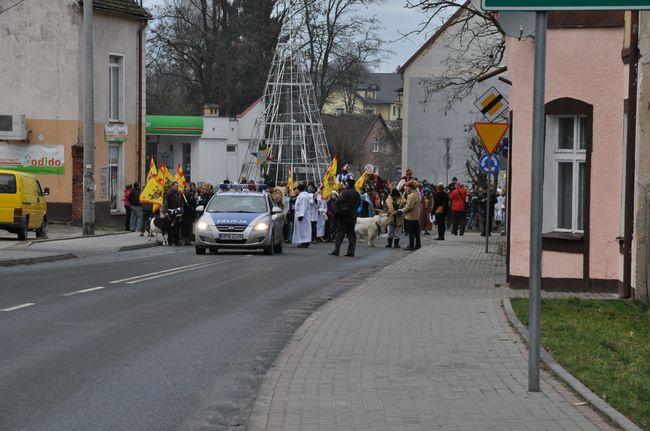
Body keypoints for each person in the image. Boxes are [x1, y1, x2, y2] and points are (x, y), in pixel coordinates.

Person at [330, 178, 361, 257]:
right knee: (351, 235)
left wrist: (338, 212)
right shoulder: (357, 193)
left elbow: (338, 201)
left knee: (340, 234)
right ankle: (351, 252)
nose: (345, 185)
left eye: (346, 183)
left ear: (348, 184)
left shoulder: (346, 193)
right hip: (353, 217)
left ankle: (336, 250)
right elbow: (358, 204)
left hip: (344, 217)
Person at [401, 180, 422, 251]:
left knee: (411, 232)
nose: (405, 188)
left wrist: (401, 210)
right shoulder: (416, 194)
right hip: (415, 216)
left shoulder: (411, 195)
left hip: (410, 216)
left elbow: (409, 207)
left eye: (407, 186)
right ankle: (418, 244)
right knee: (416, 231)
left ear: (410, 187)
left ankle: (411, 245)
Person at [292, 183, 312, 248]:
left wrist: (301, 215)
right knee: (301, 229)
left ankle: (305, 241)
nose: (295, 190)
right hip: (301, 214)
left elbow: (303, 206)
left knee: (304, 229)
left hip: (302, 215)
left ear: (298, 189)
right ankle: (302, 241)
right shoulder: (302, 195)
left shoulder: (303, 197)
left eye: (296, 189)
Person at [164, 181, 184, 246]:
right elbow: (165, 204)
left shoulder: (179, 194)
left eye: (177, 186)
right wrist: (166, 212)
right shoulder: (168, 194)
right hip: (170, 213)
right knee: (171, 228)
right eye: (175, 186)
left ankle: (177, 241)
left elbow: (181, 203)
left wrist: (181, 211)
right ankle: (170, 241)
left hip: (177, 213)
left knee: (177, 228)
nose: (177, 187)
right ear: (172, 186)